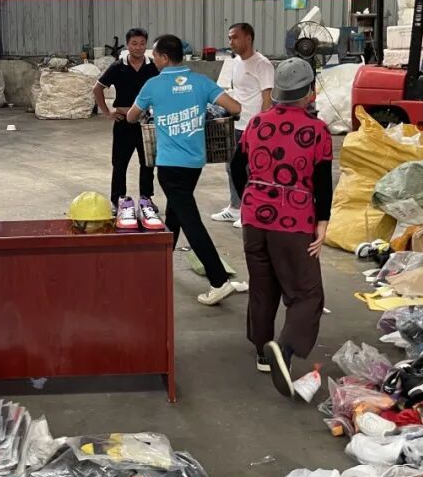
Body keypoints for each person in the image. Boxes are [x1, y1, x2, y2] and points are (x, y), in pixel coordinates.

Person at [230, 57, 333, 399]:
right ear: (309, 92)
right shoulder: (316, 130)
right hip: (293, 221)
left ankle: (263, 351)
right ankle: (285, 350)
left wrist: (252, 196)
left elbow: (236, 166)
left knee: (263, 285)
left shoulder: (257, 122)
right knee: (306, 292)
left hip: (254, 218)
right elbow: (322, 182)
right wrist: (322, 222)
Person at [127, 35, 248, 305]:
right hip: (194, 163)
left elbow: (132, 116)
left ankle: (219, 281)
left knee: (191, 221)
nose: (154, 61)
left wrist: (153, 109)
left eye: (155, 56)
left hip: (169, 166)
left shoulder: (153, 85)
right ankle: (160, 264)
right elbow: (236, 108)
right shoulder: (201, 82)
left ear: (164, 57)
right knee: (175, 214)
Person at [212, 23, 274, 228]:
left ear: (248, 38)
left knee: (249, 170)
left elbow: (267, 99)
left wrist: (263, 128)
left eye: (235, 37)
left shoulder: (262, 64)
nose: (231, 42)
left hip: (253, 126)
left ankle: (250, 211)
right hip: (237, 123)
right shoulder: (236, 62)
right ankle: (235, 207)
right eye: (230, 38)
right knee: (231, 167)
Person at [93, 28, 158, 220]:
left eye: (142, 43)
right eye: (134, 43)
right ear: (127, 45)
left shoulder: (153, 67)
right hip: (123, 122)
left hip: (146, 123)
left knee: (147, 163)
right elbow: (97, 88)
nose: (138, 47)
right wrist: (108, 112)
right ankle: (117, 200)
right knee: (119, 163)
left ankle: (146, 199)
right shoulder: (117, 67)